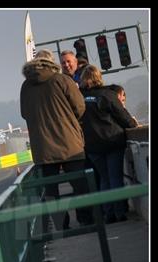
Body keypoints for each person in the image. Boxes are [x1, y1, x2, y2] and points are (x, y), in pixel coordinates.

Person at [20, 49, 92, 229]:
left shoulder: (26, 86)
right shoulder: (62, 80)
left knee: (51, 191)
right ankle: (86, 219)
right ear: (52, 62)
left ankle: (62, 226)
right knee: (80, 185)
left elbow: (24, 113)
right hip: (70, 145)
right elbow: (80, 107)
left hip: (42, 148)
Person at [79, 65, 139, 224]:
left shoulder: (78, 98)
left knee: (104, 179)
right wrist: (133, 123)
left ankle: (108, 213)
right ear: (98, 77)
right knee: (115, 177)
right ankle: (119, 212)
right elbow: (124, 118)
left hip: (92, 146)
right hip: (112, 141)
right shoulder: (107, 95)